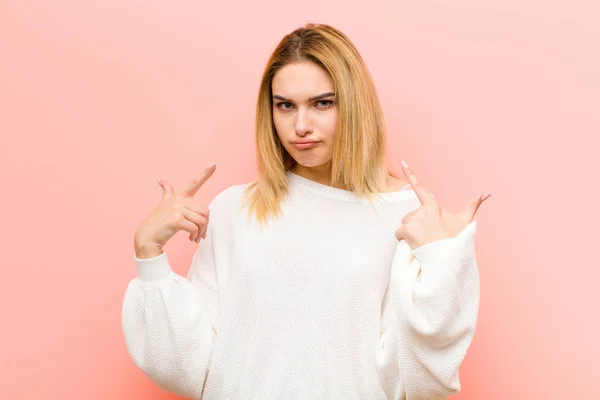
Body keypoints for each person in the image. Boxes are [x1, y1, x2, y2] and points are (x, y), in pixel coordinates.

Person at [122, 23, 490, 400]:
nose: (300, 126)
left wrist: (444, 262)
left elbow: (416, 380)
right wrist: (149, 255)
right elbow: (190, 369)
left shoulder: (408, 218)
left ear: (355, 104)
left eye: (322, 103)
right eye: (285, 105)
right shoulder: (235, 210)